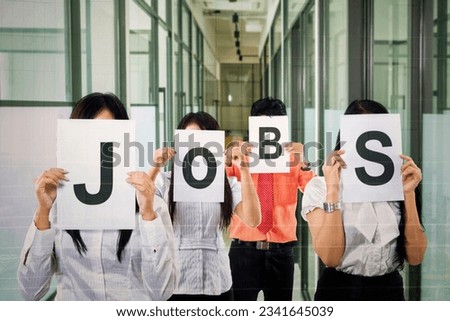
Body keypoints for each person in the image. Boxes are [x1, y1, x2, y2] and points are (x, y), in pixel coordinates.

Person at [17, 92, 177, 301]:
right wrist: (43, 212)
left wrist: (147, 214)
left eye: (106, 134)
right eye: (87, 135)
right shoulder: (57, 203)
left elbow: (162, 292)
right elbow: (31, 290)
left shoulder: (151, 204)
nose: (97, 144)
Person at [301, 99, 427, 300]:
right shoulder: (320, 187)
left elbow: (416, 256)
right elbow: (330, 258)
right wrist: (333, 188)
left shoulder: (398, 184)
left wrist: (409, 194)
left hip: (389, 290)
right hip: (340, 290)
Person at [149, 111, 261, 300]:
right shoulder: (165, 181)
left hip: (216, 279)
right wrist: (155, 168)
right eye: (190, 139)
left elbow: (253, 219)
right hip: (175, 281)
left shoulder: (226, 183)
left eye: (205, 139)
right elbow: (141, 210)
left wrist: (245, 170)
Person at [226, 97, 315, 301]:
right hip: (243, 251)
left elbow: (312, 190)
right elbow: (218, 186)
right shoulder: (242, 155)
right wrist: (228, 156)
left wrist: (305, 163)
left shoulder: (293, 157)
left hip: (281, 253)